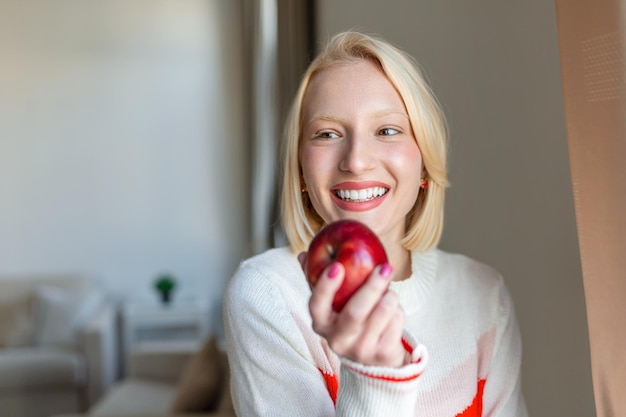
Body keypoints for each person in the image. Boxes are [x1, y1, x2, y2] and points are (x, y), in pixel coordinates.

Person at [223, 31, 528, 416]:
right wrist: (375, 380)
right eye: (327, 134)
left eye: (387, 131)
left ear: (424, 164)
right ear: (301, 171)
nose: (356, 160)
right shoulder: (268, 294)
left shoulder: (484, 295)